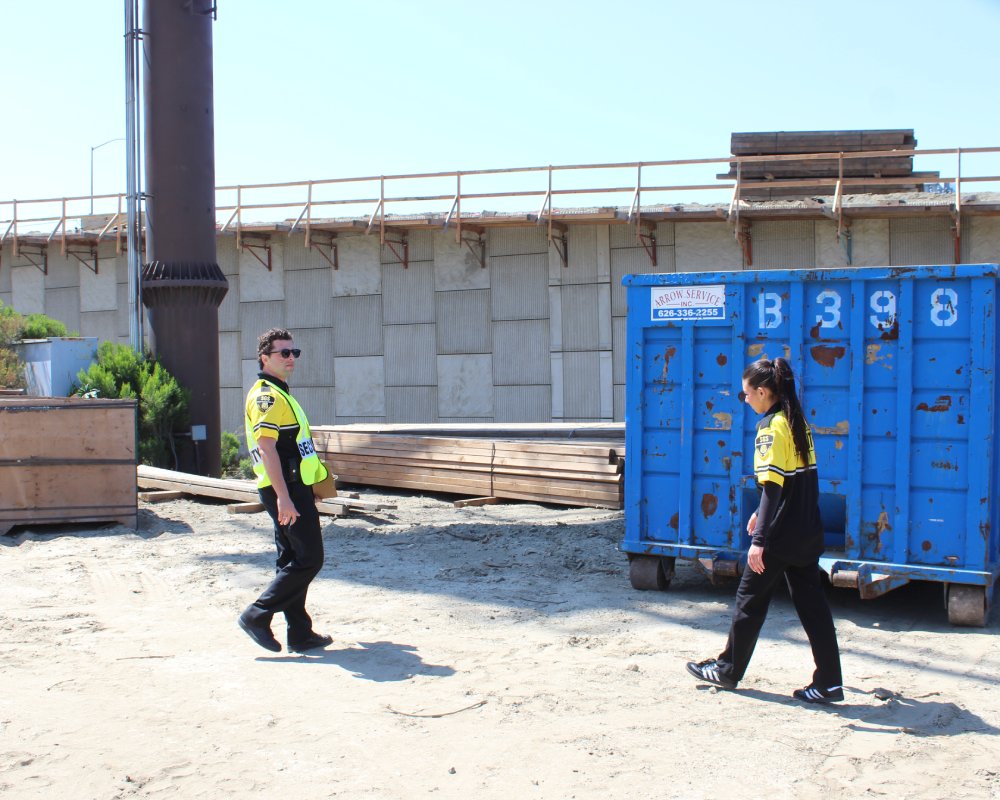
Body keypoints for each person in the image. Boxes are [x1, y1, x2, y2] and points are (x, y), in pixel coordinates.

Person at [686, 357, 843, 703]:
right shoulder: (797, 422)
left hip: (779, 537)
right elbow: (795, 483)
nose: (745, 401)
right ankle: (830, 682)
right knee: (813, 607)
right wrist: (760, 511)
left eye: (746, 395)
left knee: (749, 601)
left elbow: (773, 486)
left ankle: (727, 670)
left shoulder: (770, 428)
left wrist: (759, 540)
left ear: (761, 391)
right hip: (807, 530)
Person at [238, 328, 334, 654]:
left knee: (291, 558)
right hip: (285, 488)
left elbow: (296, 446)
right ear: (264, 357)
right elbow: (267, 449)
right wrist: (284, 497)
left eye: (295, 353)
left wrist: (313, 484)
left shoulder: (281, 393)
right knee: (310, 558)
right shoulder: (267, 396)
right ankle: (256, 614)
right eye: (284, 353)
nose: (291, 358)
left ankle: (300, 632)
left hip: (294, 485)